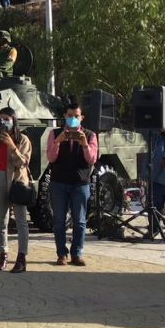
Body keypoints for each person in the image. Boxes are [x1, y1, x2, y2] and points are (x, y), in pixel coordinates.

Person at [0, 99, 33, 272]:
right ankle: (3, 255)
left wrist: (11, 146)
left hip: (17, 180)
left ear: (14, 120)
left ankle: (22, 257)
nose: (5, 122)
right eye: (2, 119)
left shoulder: (22, 139)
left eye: (7, 119)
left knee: (21, 221)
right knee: (1, 220)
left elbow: (22, 163)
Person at [46, 101, 99, 266]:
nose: (73, 119)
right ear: (64, 116)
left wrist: (84, 145)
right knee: (59, 220)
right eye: (70, 116)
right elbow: (51, 158)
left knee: (80, 221)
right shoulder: (54, 134)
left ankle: (76, 253)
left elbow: (91, 159)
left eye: (76, 116)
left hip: (80, 184)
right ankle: (62, 254)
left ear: (81, 117)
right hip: (58, 183)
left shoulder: (90, 135)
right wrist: (58, 142)